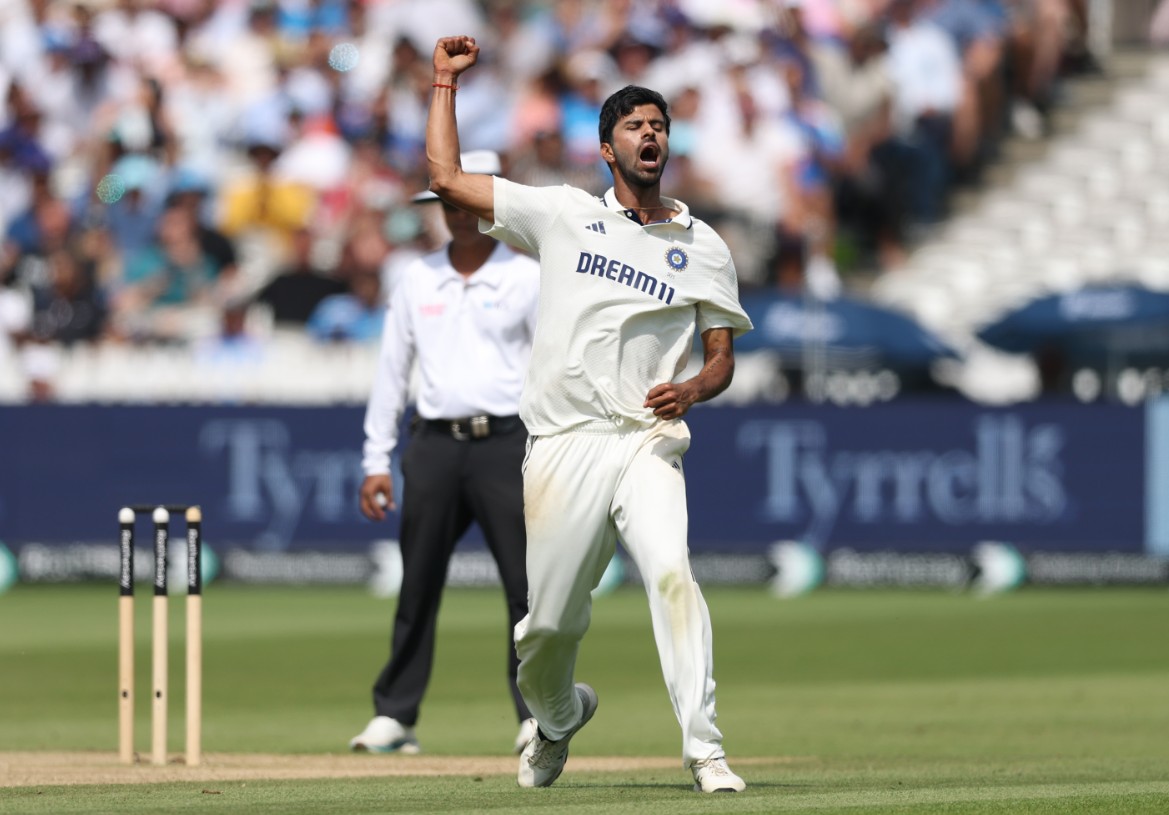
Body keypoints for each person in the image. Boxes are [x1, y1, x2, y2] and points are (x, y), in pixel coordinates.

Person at [423, 36, 753, 793]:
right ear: (607, 148)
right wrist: (443, 80)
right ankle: (558, 716)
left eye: (659, 125)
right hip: (563, 443)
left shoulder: (701, 244)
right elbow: (444, 178)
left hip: (646, 440)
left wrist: (693, 390)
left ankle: (704, 748)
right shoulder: (562, 215)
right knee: (547, 628)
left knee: (673, 574)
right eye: (635, 126)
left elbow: (720, 357)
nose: (650, 135)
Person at [349, 149, 541, 757]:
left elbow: (551, 369)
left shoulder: (529, 274)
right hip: (433, 443)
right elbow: (391, 372)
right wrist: (375, 460)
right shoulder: (415, 276)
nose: (459, 215)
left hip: (508, 442)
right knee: (418, 582)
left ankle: (536, 714)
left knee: (525, 587)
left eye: (470, 202)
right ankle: (396, 715)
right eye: (448, 204)